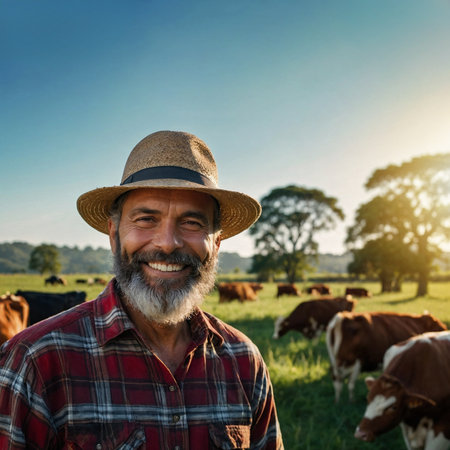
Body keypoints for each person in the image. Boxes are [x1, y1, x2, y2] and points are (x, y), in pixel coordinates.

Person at [0, 130, 284, 449]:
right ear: (114, 234)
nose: (167, 242)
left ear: (216, 245)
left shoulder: (244, 361)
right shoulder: (35, 361)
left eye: (192, 223)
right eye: (146, 219)